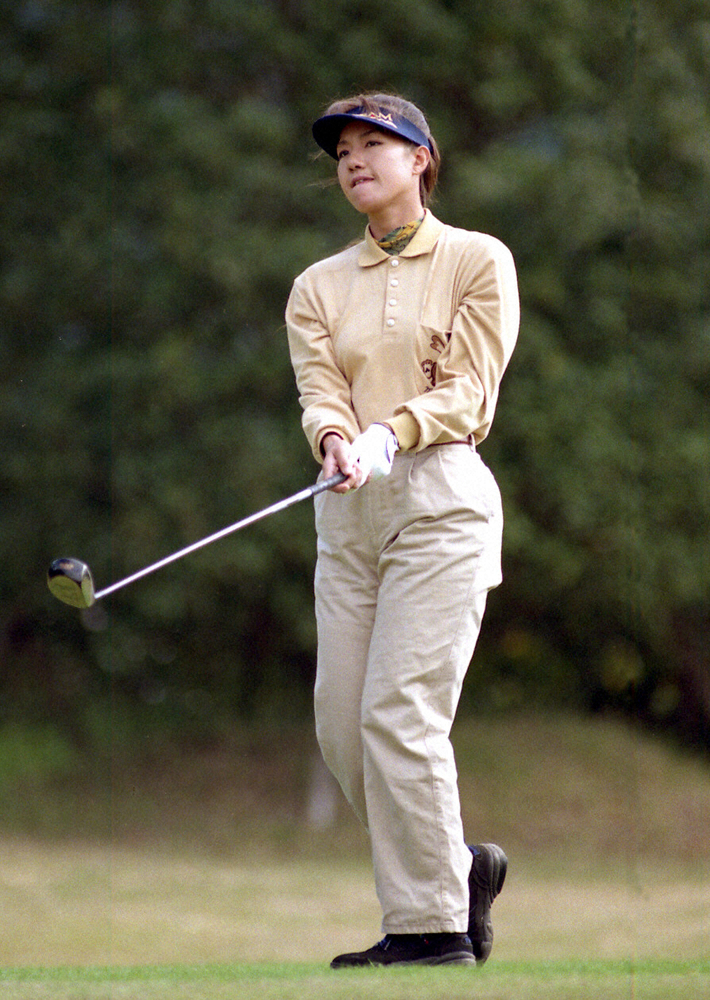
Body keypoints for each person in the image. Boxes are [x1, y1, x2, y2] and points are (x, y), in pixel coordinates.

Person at [285, 93, 519, 968]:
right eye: (342, 149)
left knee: (398, 713)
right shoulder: (317, 285)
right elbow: (319, 389)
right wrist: (340, 438)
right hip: (346, 509)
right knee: (344, 729)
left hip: (441, 497)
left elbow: (472, 387)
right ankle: (456, 869)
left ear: (421, 158)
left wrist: (394, 431)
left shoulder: (475, 259)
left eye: (374, 143)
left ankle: (430, 929)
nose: (353, 159)